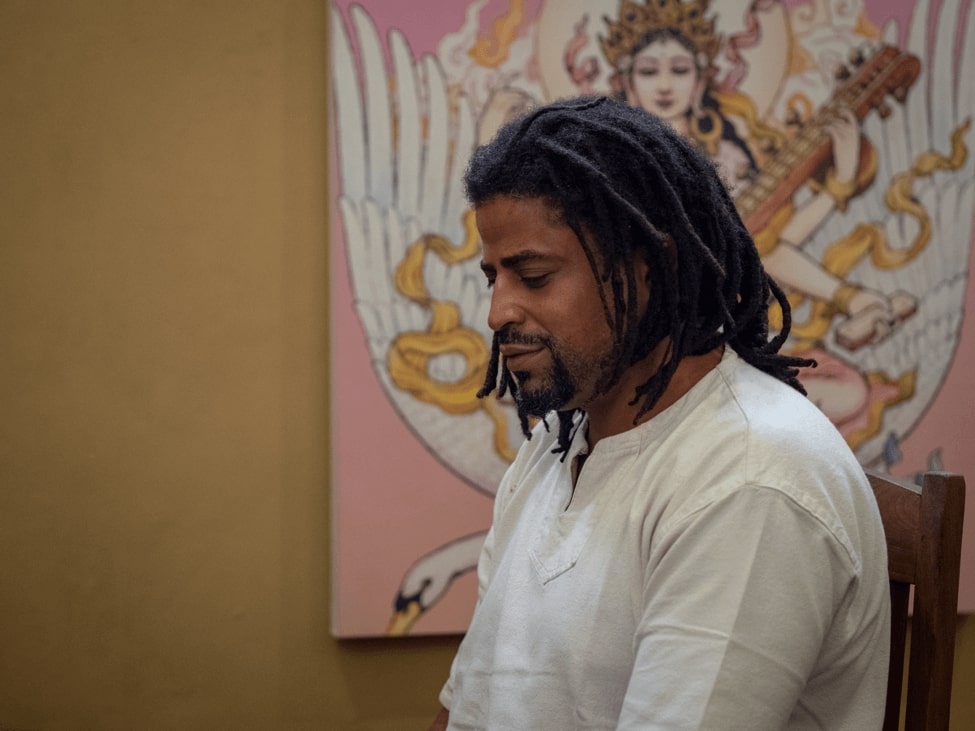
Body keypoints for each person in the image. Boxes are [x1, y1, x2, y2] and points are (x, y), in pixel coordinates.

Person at [428, 96, 889, 730]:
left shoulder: (750, 480)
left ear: (651, 266)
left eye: (533, 277)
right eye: (493, 278)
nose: (497, 312)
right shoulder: (559, 442)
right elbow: (467, 709)